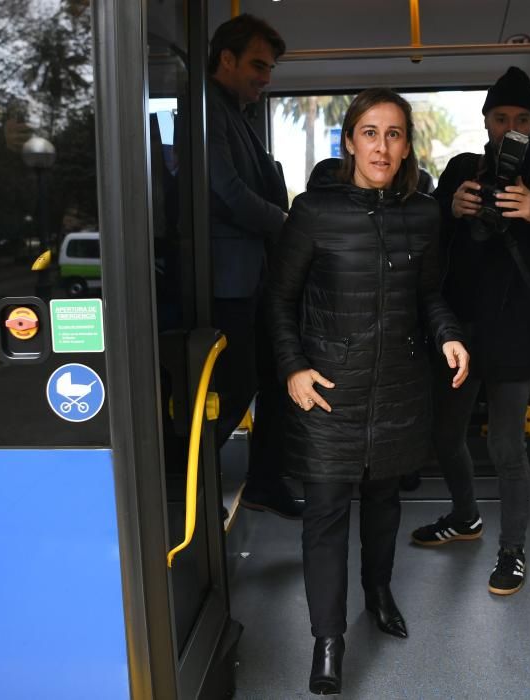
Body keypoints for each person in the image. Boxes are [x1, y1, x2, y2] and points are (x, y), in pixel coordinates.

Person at [268, 88, 470, 696]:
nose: (383, 146)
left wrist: (449, 336)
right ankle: (328, 643)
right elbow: (277, 300)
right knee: (326, 515)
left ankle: (378, 592)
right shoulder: (312, 212)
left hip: (399, 389)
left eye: (395, 134)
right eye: (371, 133)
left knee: (383, 501)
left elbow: (429, 294)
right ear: (350, 140)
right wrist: (293, 370)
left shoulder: (424, 214)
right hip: (328, 389)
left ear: (408, 145)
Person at [410, 67, 530, 596]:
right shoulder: (462, 169)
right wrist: (450, 208)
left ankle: (512, 551)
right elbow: (427, 241)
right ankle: (466, 517)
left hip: (515, 329)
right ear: (486, 120)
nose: (510, 126)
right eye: (501, 117)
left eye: (521, 119)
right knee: (446, 434)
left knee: (508, 446)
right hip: (458, 328)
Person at [206, 15, 302, 518]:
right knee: (239, 383)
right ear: (226, 59)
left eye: (269, 69)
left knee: (276, 374)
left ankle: (266, 480)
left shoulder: (236, 114)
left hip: (253, 276)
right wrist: (288, 223)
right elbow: (226, 194)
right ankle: (183, 476)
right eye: (258, 66)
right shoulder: (207, 110)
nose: (266, 78)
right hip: (226, 281)